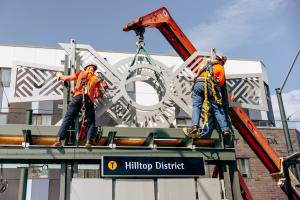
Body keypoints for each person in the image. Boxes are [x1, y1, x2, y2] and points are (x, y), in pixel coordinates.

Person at [53, 63, 107, 147]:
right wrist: (104, 88)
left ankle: (59, 139)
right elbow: (98, 95)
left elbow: (67, 78)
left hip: (77, 97)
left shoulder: (80, 73)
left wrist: (59, 75)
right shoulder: (96, 79)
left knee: (68, 118)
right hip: (88, 99)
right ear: (94, 70)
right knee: (91, 121)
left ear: (86, 68)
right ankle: (89, 141)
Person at [188, 55, 230, 136]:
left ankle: (194, 126)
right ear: (222, 61)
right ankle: (225, 129)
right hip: (210, 86)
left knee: (196, 106)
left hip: (198, 85)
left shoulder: (204, 63)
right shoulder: (220, 67)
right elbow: (221, 82)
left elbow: (198, 74)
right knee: (217, 108)